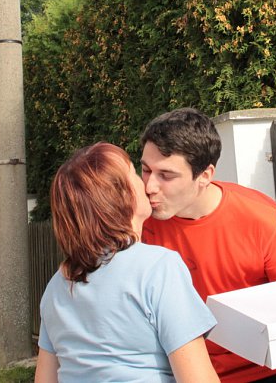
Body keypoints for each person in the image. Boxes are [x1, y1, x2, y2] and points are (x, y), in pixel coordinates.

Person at [140, 108, 276, 383]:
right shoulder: (138, 223)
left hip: (274, 371)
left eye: (166, 175)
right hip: (188, 374)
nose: (149, 186)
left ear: (205, 175)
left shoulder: (262, 218)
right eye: (146, 170)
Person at [35, 142, 219, 383]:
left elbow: (44, 379)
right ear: (122, 197)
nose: (147, 185)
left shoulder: (56, 286)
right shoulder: (158, 268)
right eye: (134, 173)